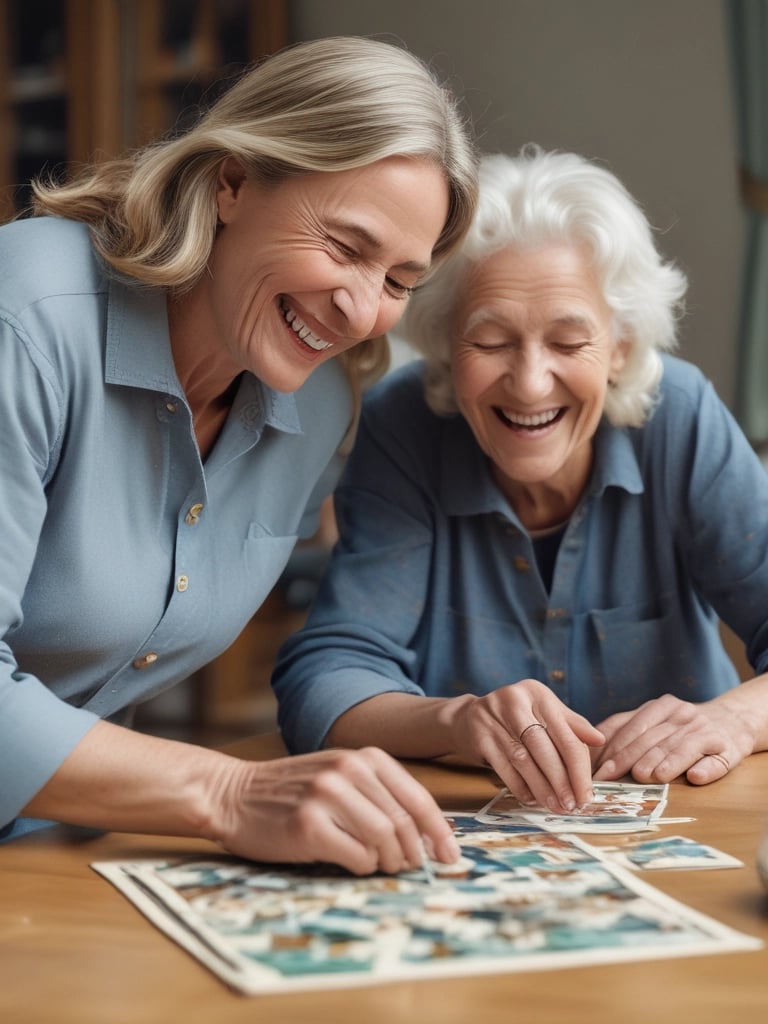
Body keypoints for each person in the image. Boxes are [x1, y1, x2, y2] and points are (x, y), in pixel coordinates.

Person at [0, 35, 479, 875]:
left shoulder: (319, 402)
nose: (364, 309)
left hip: (59, 862)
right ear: (231, 182)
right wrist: (229, 793)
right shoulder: (26, 318)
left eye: (400, 281)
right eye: (345, 246)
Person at [273, 145, 768, 817]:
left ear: (620, 345)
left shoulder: (678, 418)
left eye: (568, 343)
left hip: (692, 817)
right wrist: (454, 720)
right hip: (463, 838)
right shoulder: (404, 425)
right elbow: (325, 679)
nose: (531, 383)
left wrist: (736, 718)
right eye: (492, 341)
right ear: (445, 342)